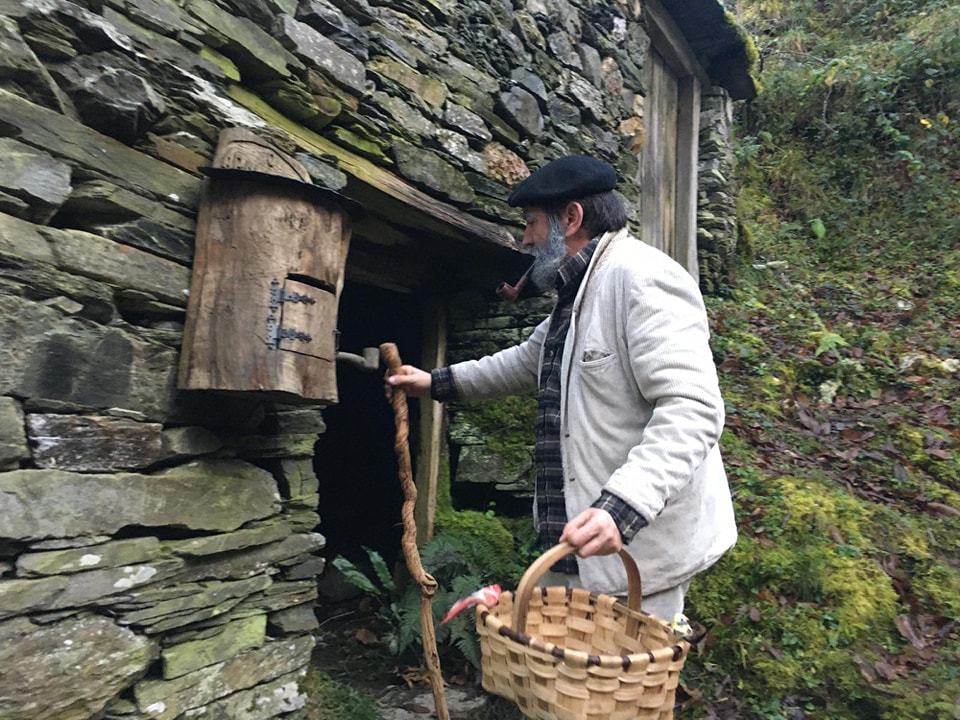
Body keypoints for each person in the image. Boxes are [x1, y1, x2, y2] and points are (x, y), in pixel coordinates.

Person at [386, 155, 736, 619]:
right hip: (576, 542)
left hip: (637, 551)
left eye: (531, 223)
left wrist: (624, 506)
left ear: (571, 218)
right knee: (564, 682)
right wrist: (434, 383)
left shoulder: (642, 278)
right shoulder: (575, 297)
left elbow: (693, 408)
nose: (525, 238)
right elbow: (523, 363)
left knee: (620, 687)